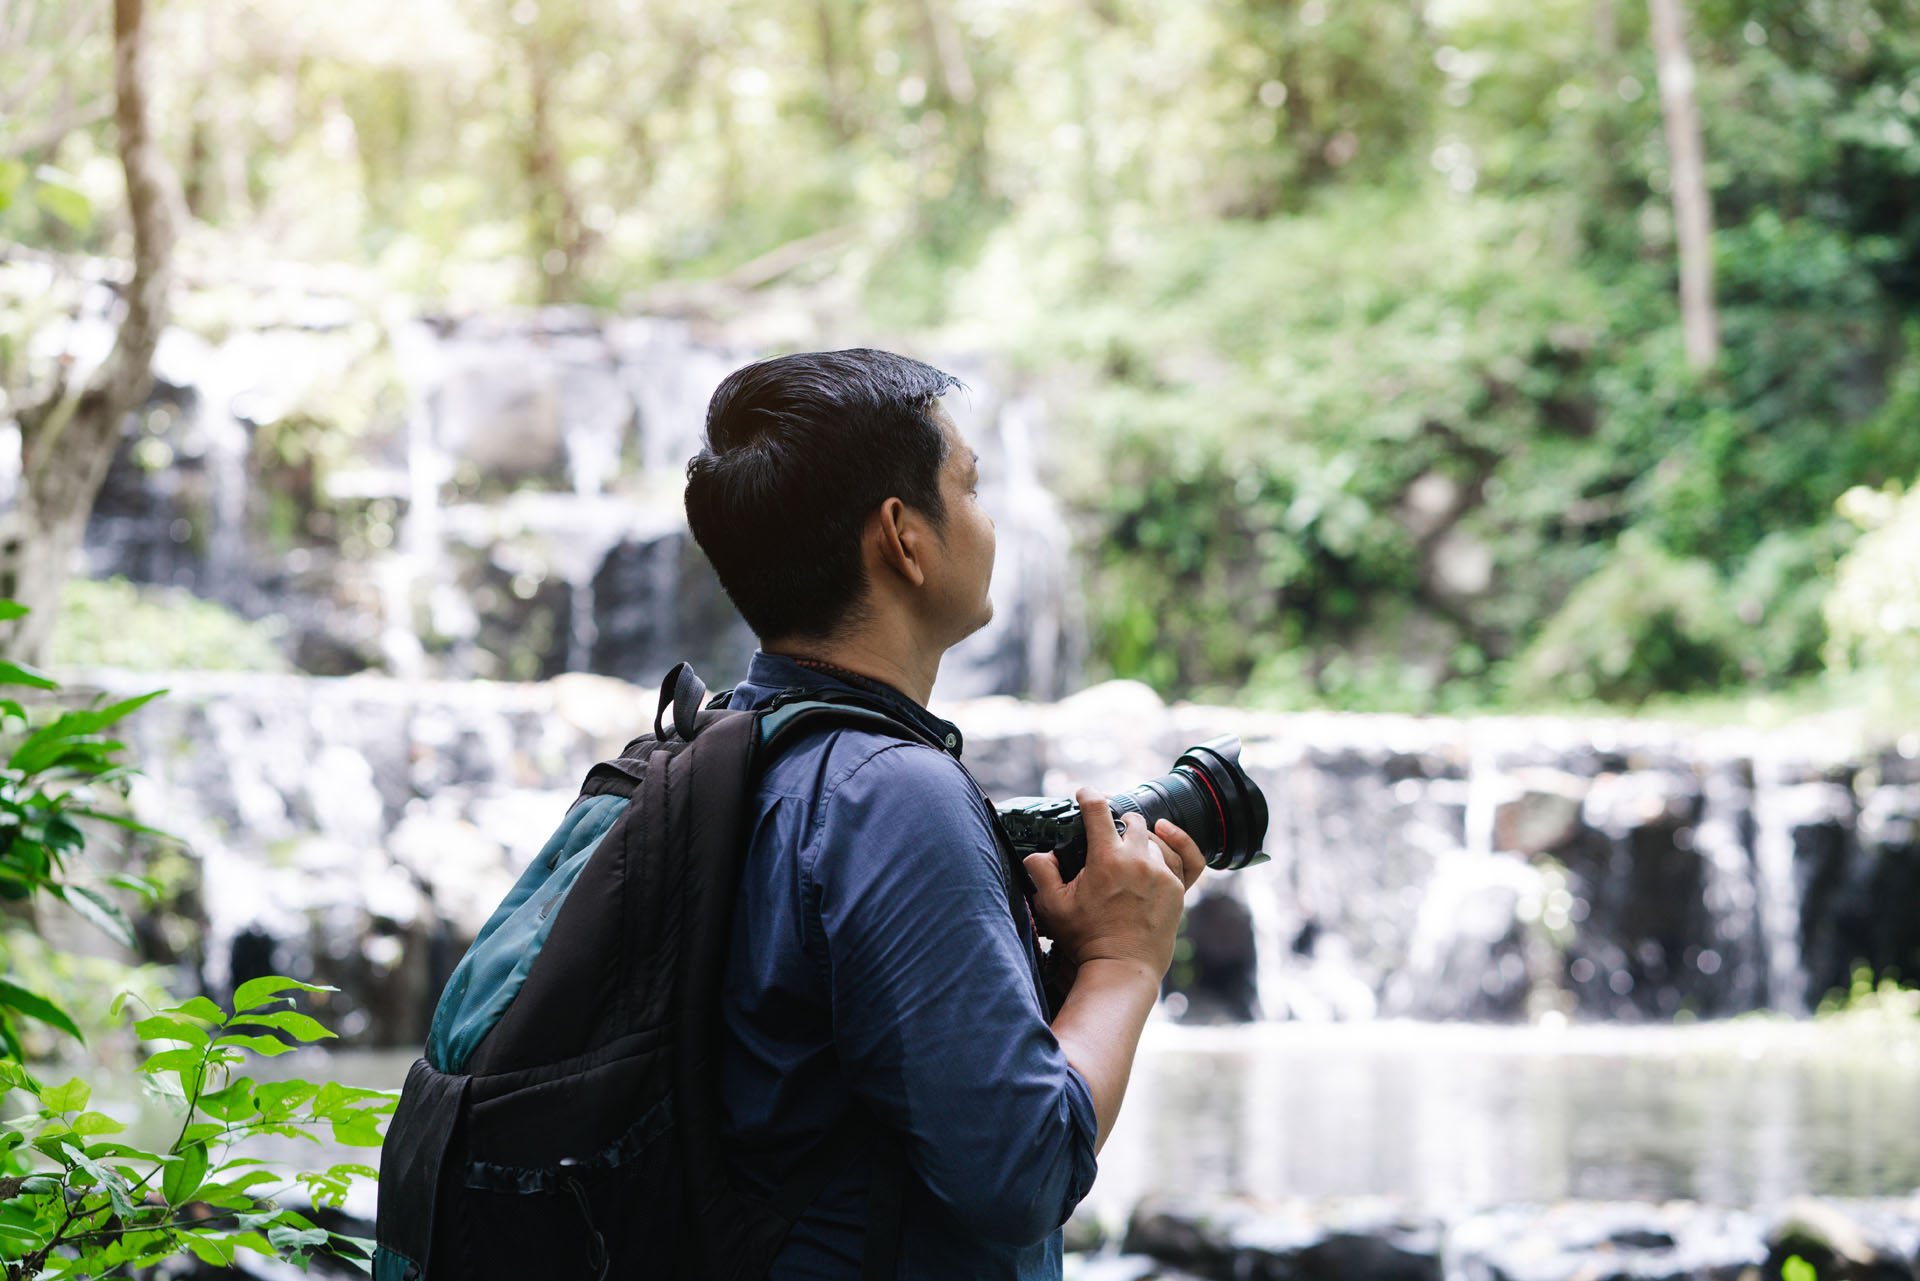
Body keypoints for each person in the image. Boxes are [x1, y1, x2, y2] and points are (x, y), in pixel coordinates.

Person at [683, 348, 1206, 1279]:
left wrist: (1074, 955)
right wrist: (1128, 960)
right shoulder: (893, 796)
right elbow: (1018, 1175)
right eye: (969, 486)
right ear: (904, 537)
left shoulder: (725, 755)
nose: (990, 518)